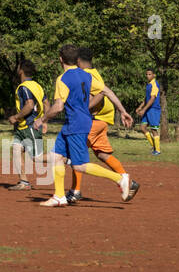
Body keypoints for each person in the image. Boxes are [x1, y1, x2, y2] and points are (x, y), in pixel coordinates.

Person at [35, 45, 134, 207]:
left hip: (77, 124)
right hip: (74, 124)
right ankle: (59, 196)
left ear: (61, 59)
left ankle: (120, 178)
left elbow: (59, 106)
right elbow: (107, 92)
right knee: (57, 157)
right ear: (76, 59)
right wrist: (122, 111)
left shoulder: (63, 79)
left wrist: (42, 119)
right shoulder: (86, 75)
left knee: (79, 166)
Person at [75, 48, 138, 203]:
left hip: (96, 120)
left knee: (75, 152)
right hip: (103, 120)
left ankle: (75, 191)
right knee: (102, 154)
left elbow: (100, 94)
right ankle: (128, 182)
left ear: (78, 61)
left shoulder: (87, 75)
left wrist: (85, 107)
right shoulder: (95, 72)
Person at [7, 61, 45, 190]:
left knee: (37, 158)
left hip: (30, 127)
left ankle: (65, 159)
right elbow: (46, 103)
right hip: (23, 128)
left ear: (21, 71)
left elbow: (29, 105)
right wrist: (44, 120)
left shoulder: (24, 87)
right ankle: (24, 182)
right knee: (16, 149)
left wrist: (15, 117)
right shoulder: (37, 86)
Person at [135, 69, 162, 155]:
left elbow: (152, 99)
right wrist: (140, 107)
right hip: (147, 109)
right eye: (147, 74)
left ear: (154, 75)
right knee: (142, 128)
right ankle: (154, 147)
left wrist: (143, 109)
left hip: (153, 109)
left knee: (154, 129)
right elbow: (146, 98)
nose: (148, 76)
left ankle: (157, 150)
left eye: (150, 74)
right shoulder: (149, 85)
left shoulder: (154, 84)